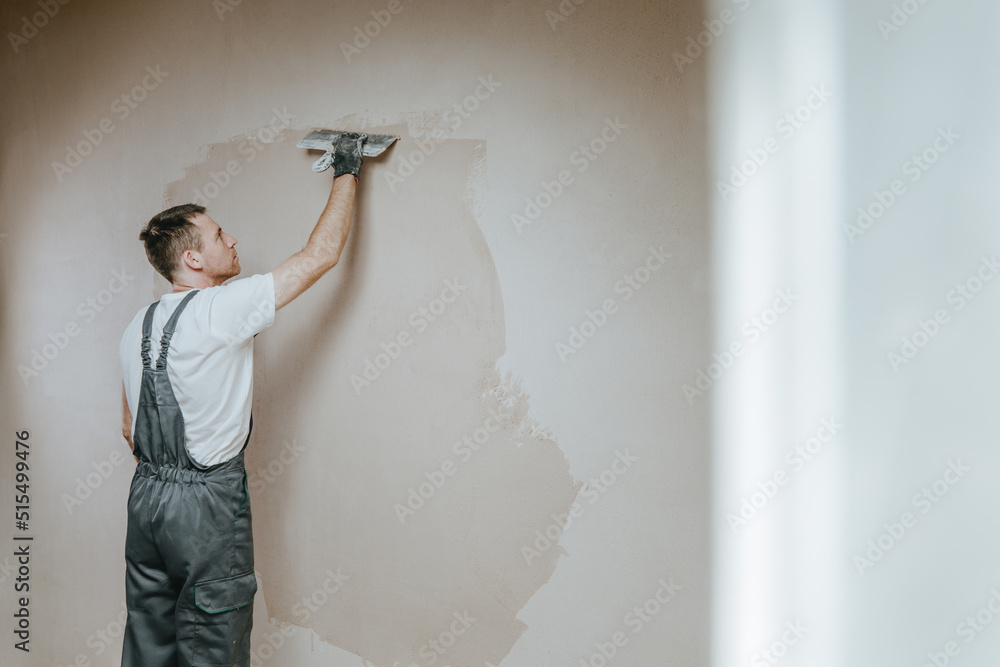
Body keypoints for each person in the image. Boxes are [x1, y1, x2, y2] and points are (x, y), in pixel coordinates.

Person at [117, 133, 368, 667]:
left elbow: (128, 425)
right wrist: (346, 169)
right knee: (213, 643)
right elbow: (320, 256)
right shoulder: (221, 309)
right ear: (193, 258)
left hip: (146, 501)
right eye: (218, 234)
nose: (233, 240)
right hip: (205, 506)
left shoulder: (137, 325)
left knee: (150, 637)